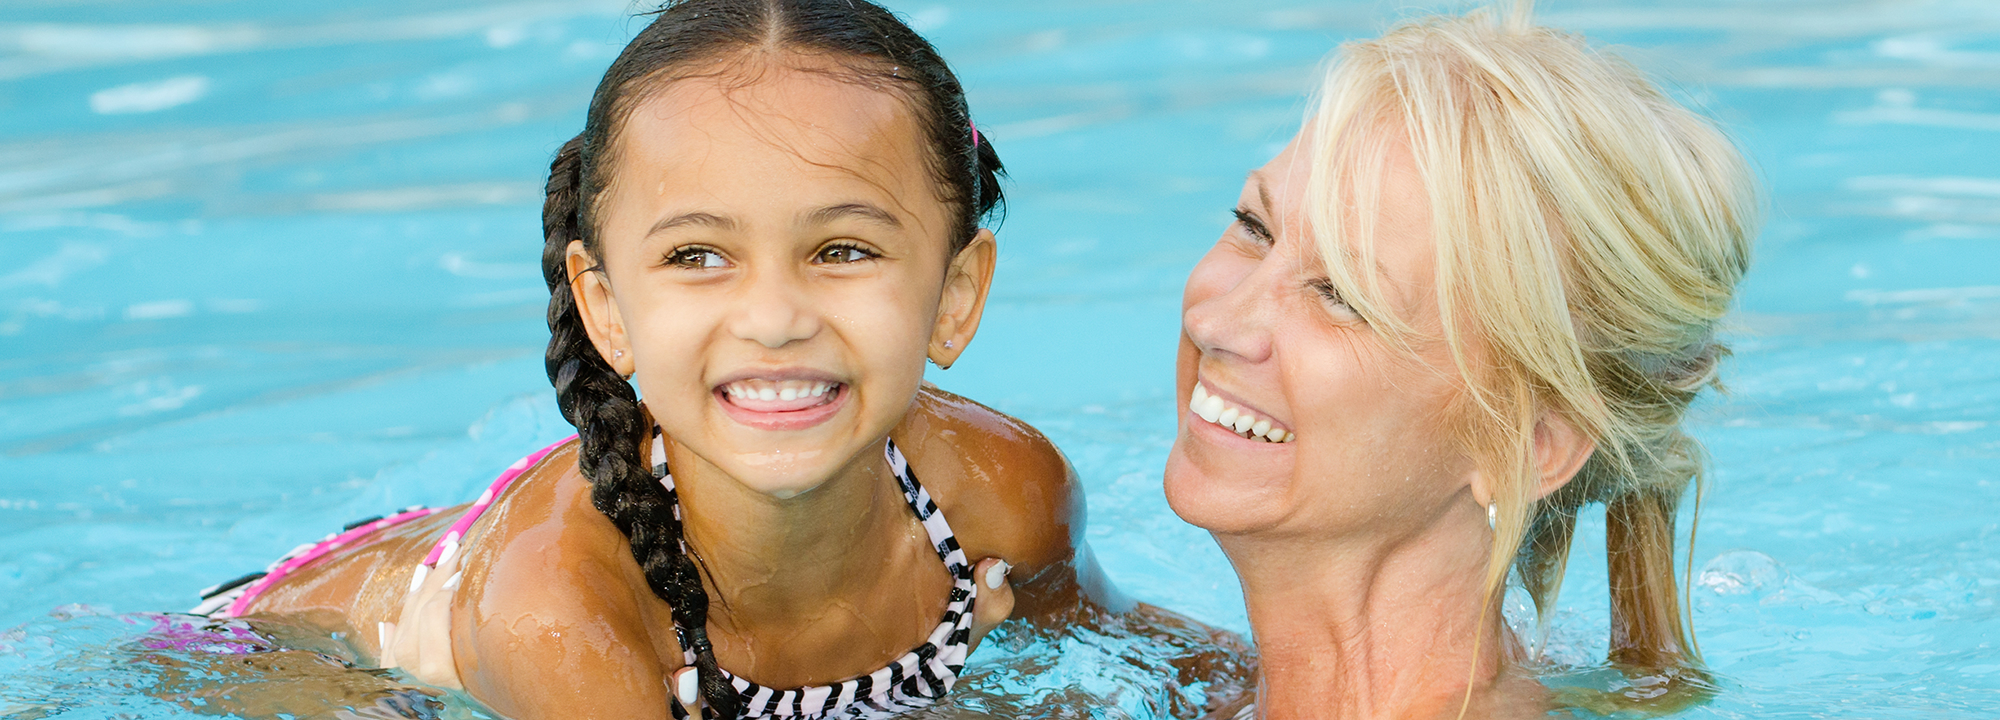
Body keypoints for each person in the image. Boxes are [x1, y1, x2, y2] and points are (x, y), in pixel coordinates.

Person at [187, 1, 1148, 717]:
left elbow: (1173, 678)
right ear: (606, 308)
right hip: (272, 672)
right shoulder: (560, 614)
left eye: (842, 250)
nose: (773, 318)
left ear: (956, 293)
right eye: (698, 256)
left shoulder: (1003, 493)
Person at [1165, 3, 1757, 718]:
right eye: (1254, 227)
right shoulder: (1213, 685)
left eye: (1340, 294)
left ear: (1532, 443)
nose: (1217, 321)